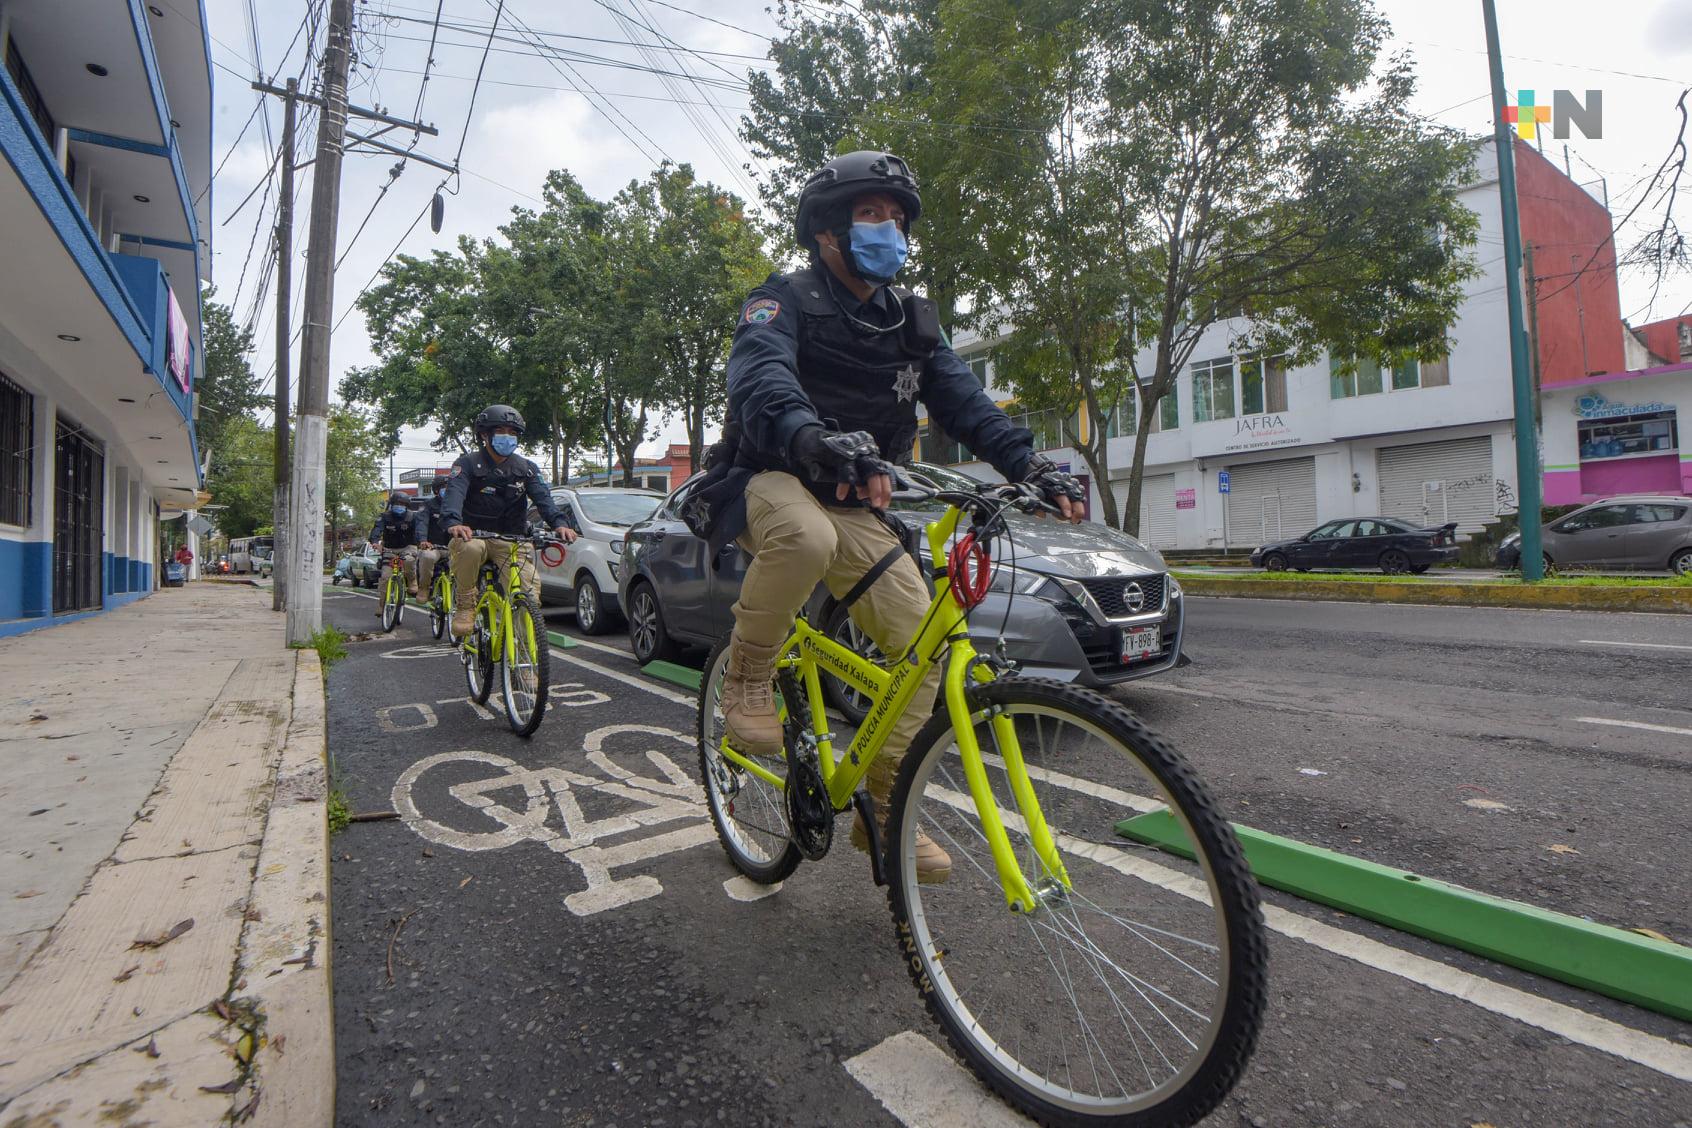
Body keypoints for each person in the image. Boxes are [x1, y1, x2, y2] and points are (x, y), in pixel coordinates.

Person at [705, 150, 1084, 884]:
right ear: (826, 233)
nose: (890, 229)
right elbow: (761, 377)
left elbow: (965, 401)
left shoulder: (912, 323)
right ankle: (748, 676)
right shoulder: (779, 299)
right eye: (871, 214)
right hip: (771, 478)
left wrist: (1027, 464)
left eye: (897, 217)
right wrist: (811, 434)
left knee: (928, 650)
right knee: (804, 537)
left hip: (858, 501)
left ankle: (884, 798)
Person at [440, 405, 577, 636]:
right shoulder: (466, 464)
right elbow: (454, 494)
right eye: (501, 431)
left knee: (528, 593)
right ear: (485, 434)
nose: (508, 437)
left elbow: (544, 500)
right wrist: (454, 521)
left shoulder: (527, 469)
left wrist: (560, 523)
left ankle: (524, 663)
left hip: (512, 540)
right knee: (470, 548)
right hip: (474, 536)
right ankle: (465, 605)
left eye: (513, 433)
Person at [368, 490, 425, 612]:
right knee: (385, 577)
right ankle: (381, 605)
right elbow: (376, 531)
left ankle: (411, 580)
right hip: (389, 549)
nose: (400, 506)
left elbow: (420, 531)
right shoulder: (384, 517)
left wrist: (423, 541)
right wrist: (375, 542)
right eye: (397, 503)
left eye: (403, 504)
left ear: (407, 505)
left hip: (408, 547)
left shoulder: (413, 517)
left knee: (409, 561)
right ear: (392, 504)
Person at [417, 473, 452, 604]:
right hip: (434, 547)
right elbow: (422, 523)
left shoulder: (460, 505)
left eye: (450, 487)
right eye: (444, 487)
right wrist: (423, 540)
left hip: (454, 548)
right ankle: (424, 588)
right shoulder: (427, 505)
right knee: (427, 557)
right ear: (437, 490)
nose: (448, 490)